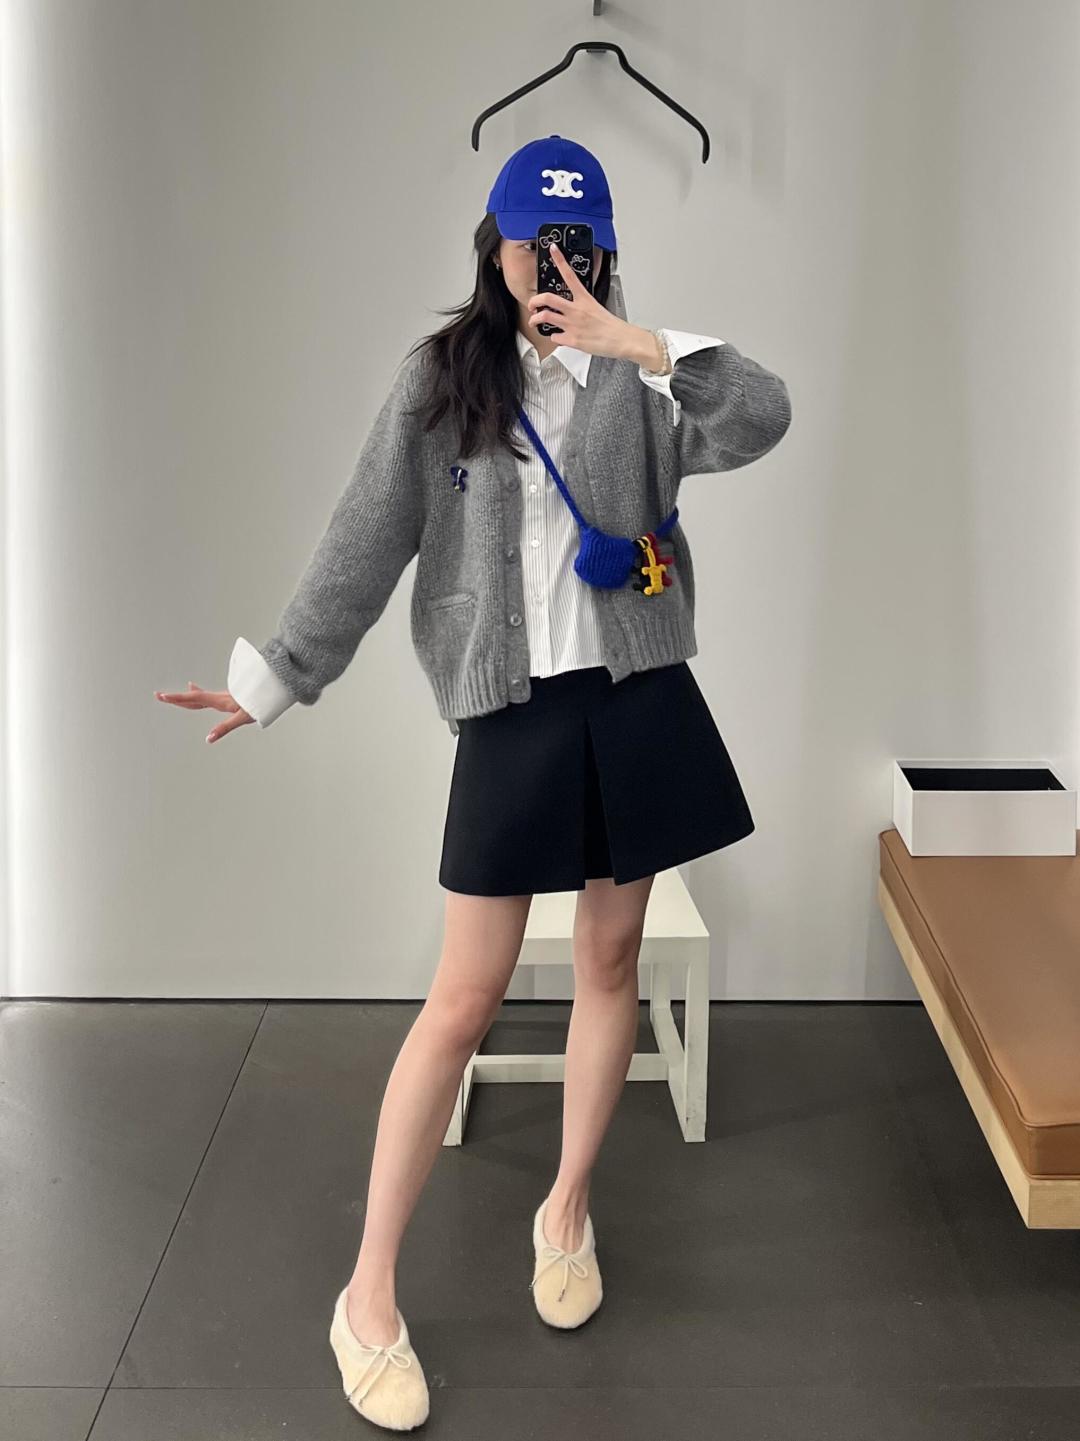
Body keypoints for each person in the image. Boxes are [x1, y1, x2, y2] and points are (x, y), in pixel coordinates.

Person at [155, 134, 791, 1431]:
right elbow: (369, 532)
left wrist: (634, 342)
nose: (552, 264)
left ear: (602, 248)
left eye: (576, 243)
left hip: (636, 694)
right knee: (462, 999)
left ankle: (566, 1211)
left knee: (609, 963)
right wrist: (279, 673)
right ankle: (367, 1295)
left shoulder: (641, 376)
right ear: (493, 248)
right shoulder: (443, 380)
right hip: (511, 708)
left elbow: (762, 414)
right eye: (531, 244)